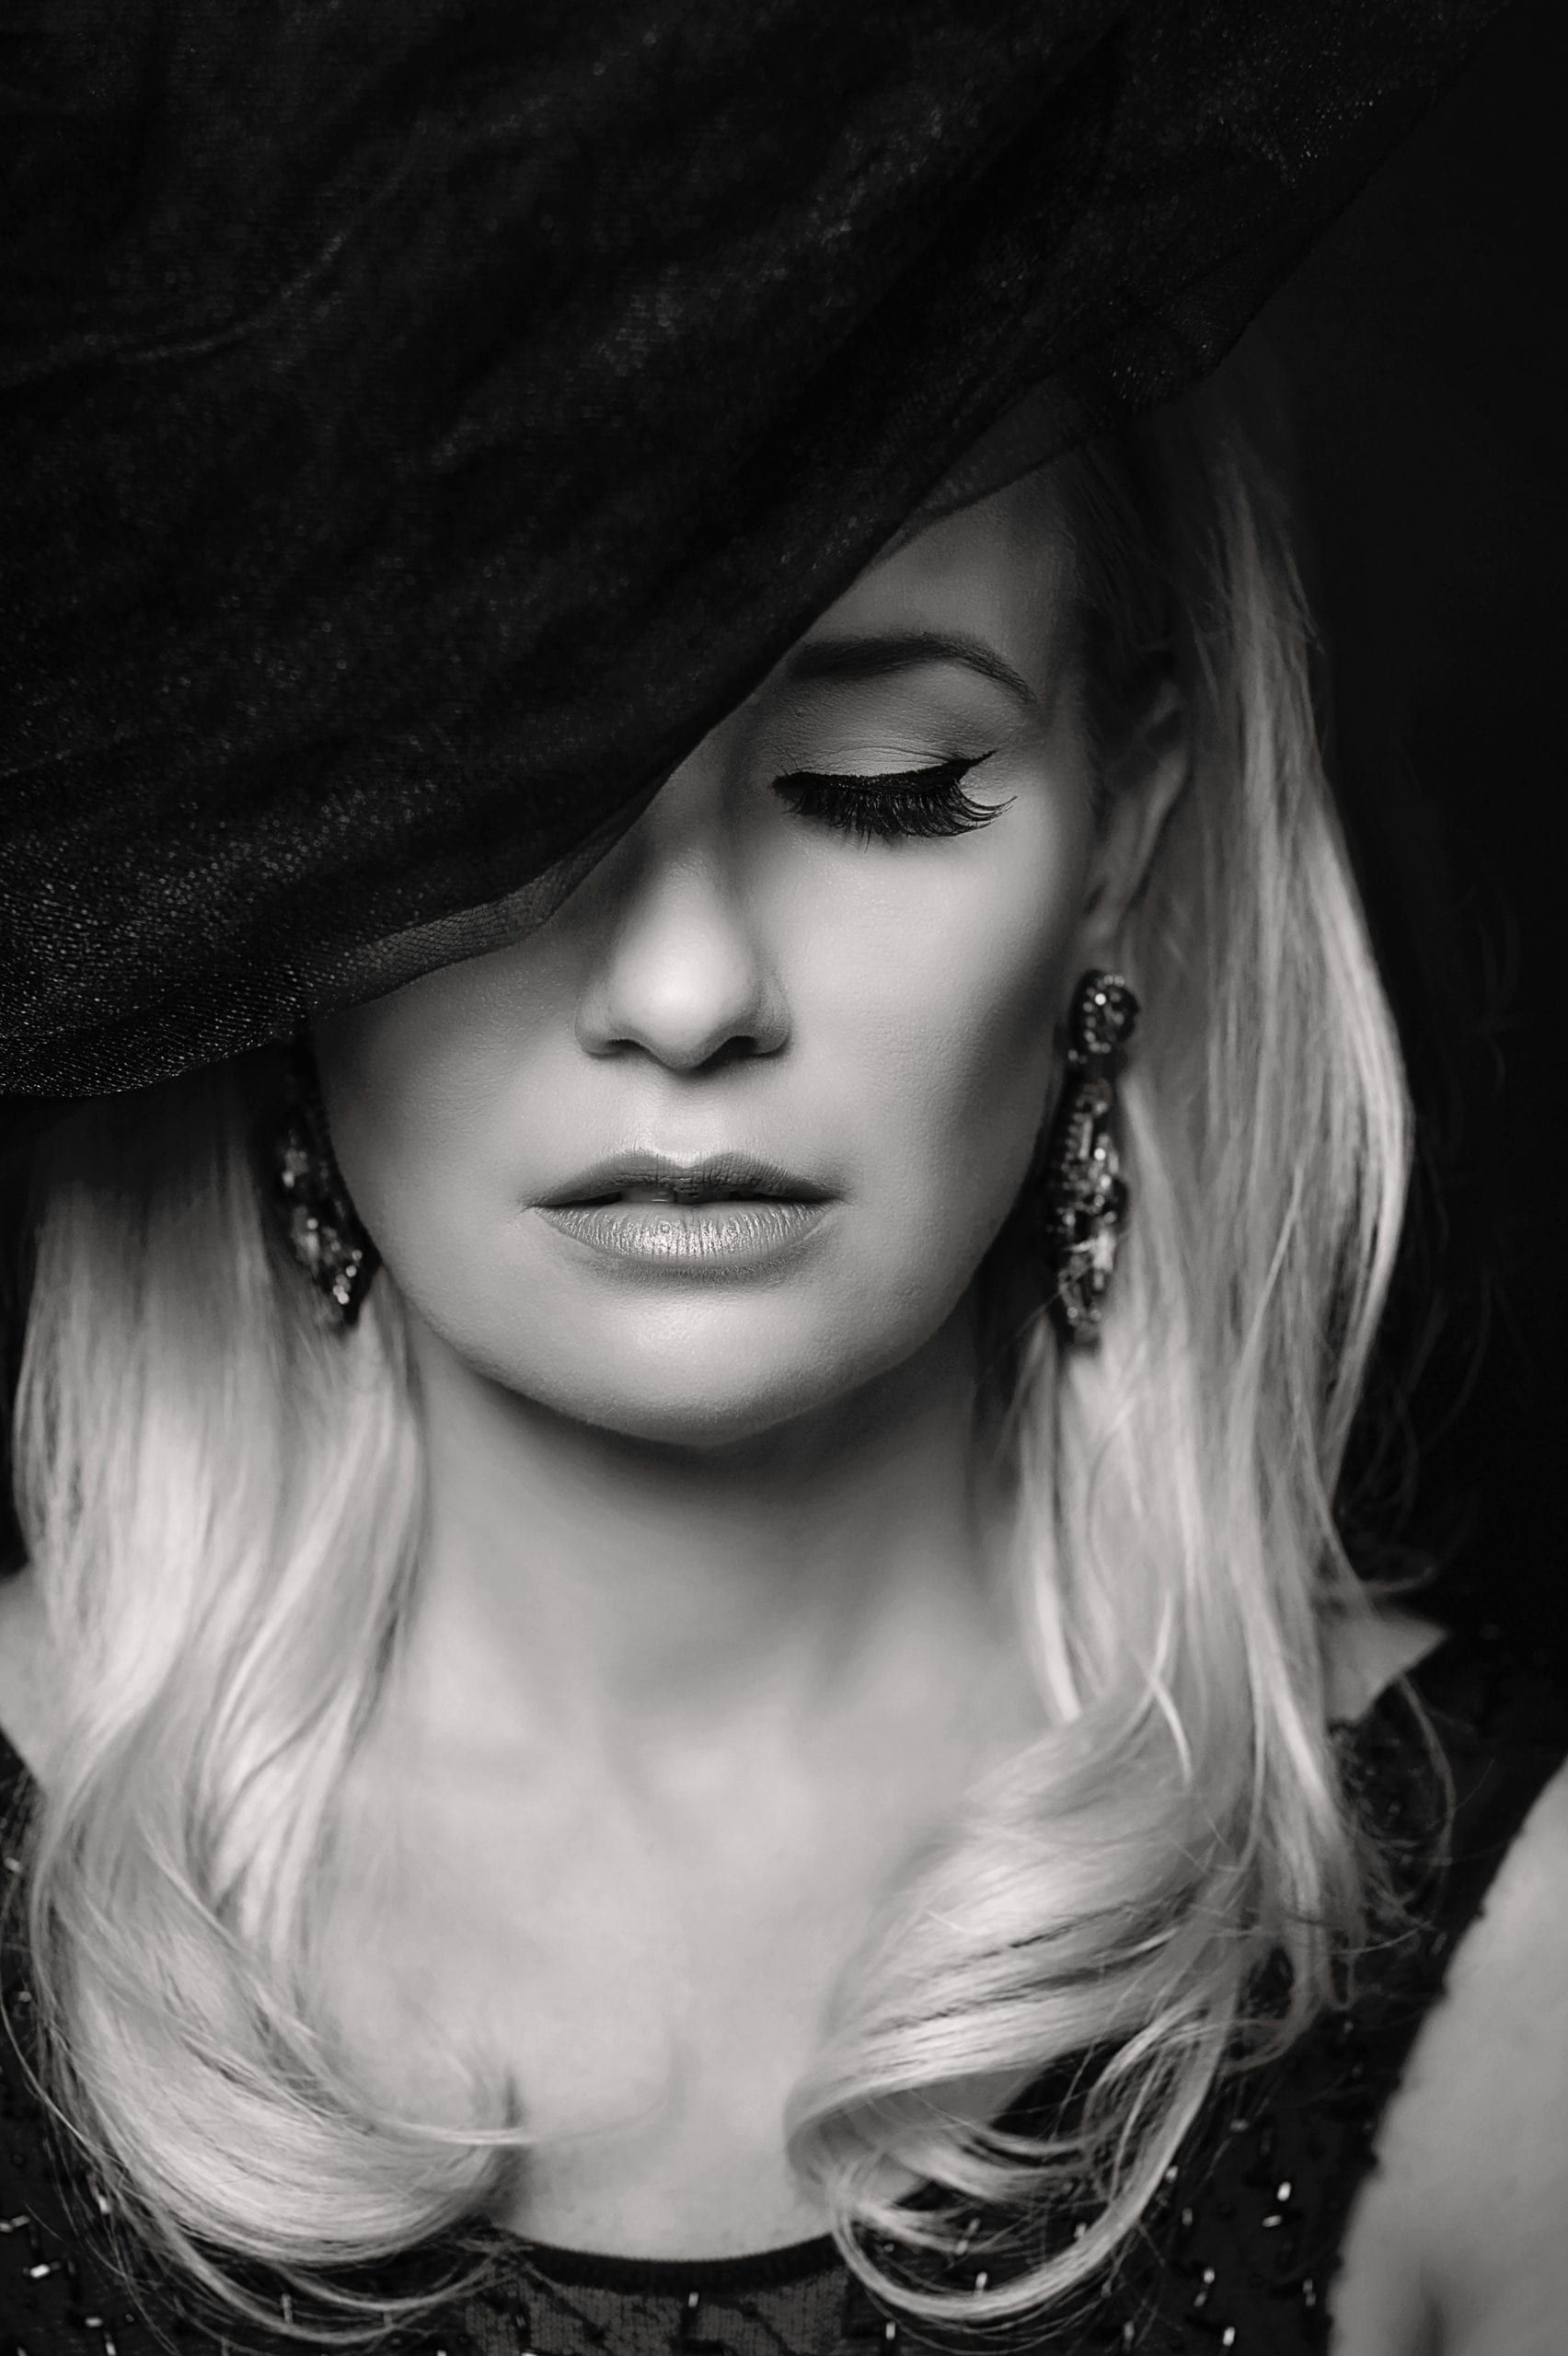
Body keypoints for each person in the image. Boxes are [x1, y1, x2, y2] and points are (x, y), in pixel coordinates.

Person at [1, 8, 1563, 2356]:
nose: (693, 983)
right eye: (505, 822)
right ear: (270, 894)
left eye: (885, 783)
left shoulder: (1529, 1967)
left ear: (1126, 828)